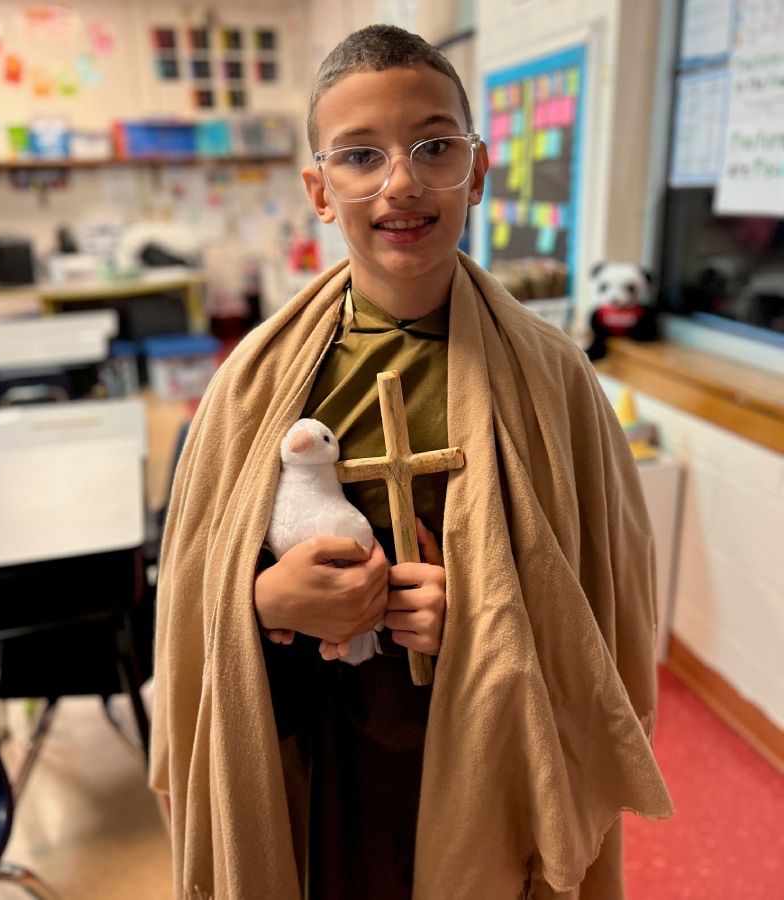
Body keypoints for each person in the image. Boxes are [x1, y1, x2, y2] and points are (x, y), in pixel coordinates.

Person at [150, 24, 673, 900]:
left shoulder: (554, 379)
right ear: (320, 190)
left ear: (476, 171)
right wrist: (265, 602)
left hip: (482, 753)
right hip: (321, 745)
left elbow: (607, 614)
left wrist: (481, 619)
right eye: (360, 156)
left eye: (433, 146)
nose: (400, 182)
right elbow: (193, 600)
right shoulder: (255, 381)